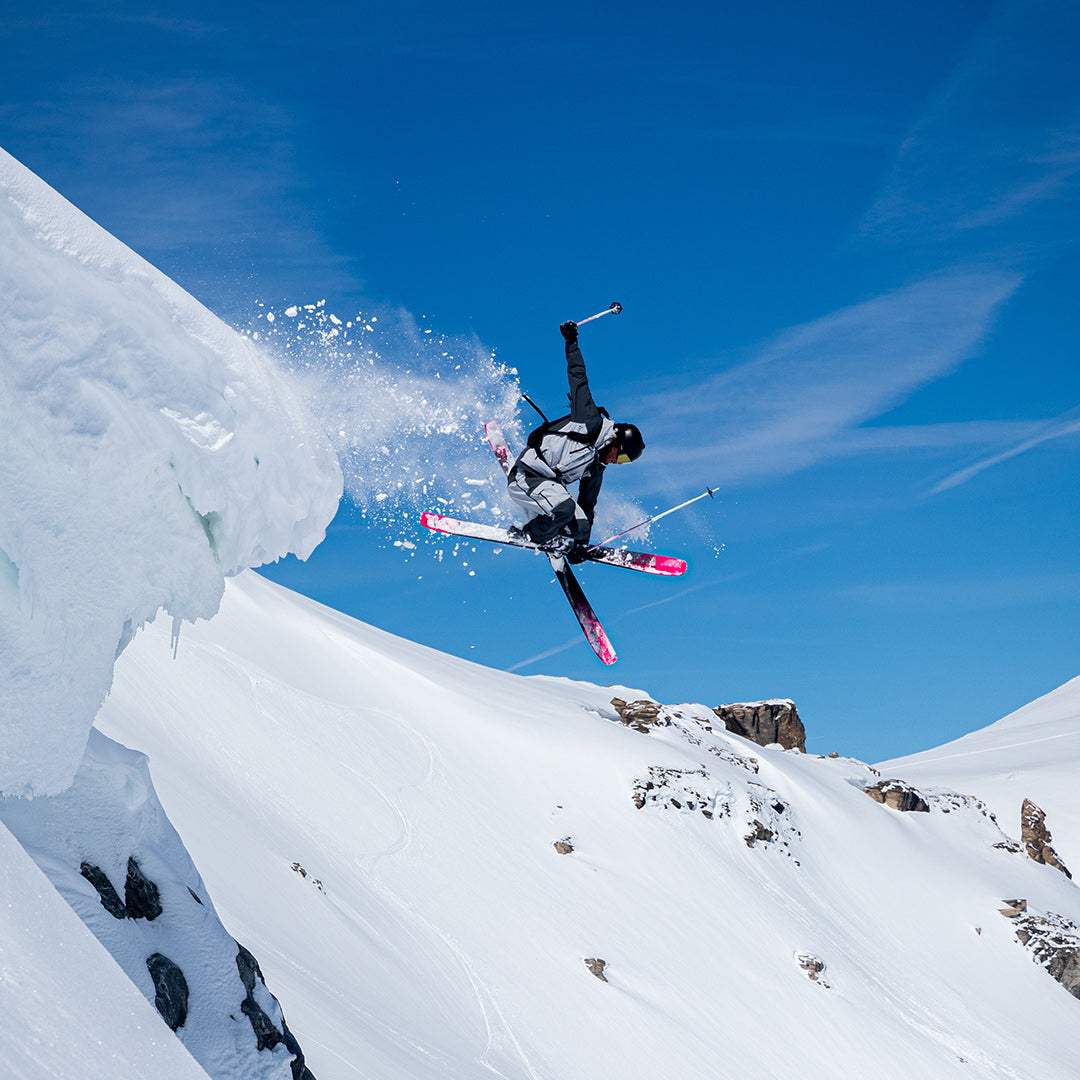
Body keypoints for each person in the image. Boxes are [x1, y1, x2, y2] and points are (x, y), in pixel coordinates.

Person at [506, 319, 644, 560]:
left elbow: (588, 505)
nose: (618, 462)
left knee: (581, 525)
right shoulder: (588, 420)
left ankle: (559, 537)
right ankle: (529, 534)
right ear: (616, 441)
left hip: (551, 489)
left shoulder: (596, 466)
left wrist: (582, 545)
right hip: (526, 478)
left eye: (625, 462)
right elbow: (578, 377)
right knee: (565, 508)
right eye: (621, 456)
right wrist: (571, 341)